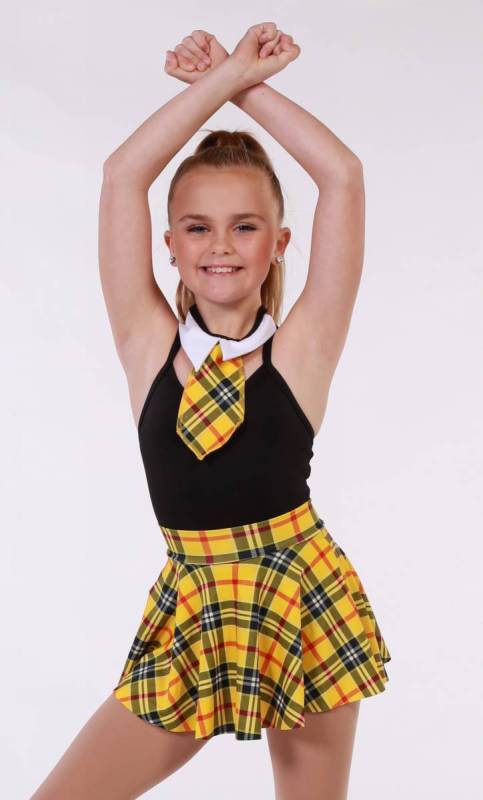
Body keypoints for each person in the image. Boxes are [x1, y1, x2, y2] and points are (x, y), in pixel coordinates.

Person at [31, 22, 391, 800]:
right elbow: (122, 174)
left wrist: (244, 85)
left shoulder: (302, 350)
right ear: (168, 243)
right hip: (192, 606)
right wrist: (222, 78)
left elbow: (343, 176)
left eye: (244, 226)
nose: (219, 245)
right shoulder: (147, 343)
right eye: (197, 227)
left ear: (279, 242)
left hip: (301, 597)